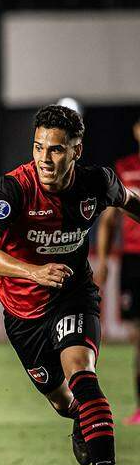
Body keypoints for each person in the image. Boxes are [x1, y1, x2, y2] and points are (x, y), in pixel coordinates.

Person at [0, 104, 140, 465]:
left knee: (84, 377)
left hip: (73, 295)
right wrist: (34, 271)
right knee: (65, 403)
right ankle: (79, 419)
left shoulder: (96, 183)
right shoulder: (14, 189)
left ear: (76, 150)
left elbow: (130, 199)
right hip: (23, 316)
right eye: (38, 148)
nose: (45, 160)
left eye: (56, 150)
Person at [95, 116, 140, 425]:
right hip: (134, 259)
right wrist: (101, 260)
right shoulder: (123, 168)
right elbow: (109, 219)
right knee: (139, 335)